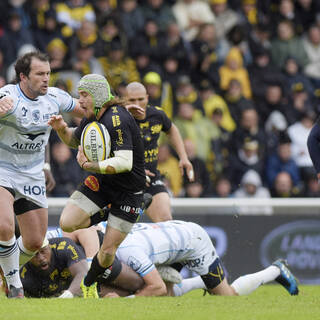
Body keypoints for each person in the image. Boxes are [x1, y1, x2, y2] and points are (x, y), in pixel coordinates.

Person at [48, 74, 146, 298]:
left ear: (99, 96)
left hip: (129, 192)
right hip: (103, 184)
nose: (80, 101)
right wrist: (61, 128)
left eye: (84, 95)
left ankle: (90, 282)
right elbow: (75, 141)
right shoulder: (92, 116)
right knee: (67, 223)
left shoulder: (116, 118)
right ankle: (106, 213)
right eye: (79, 95)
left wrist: (90, 165)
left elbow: (124, 162)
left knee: (108, 253)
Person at [0, 51, 84, 298]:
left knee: (36, 241)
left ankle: (7, 269)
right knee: (4, 226)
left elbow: (86, 110)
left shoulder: (55, 97)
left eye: (48, 73)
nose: (46, 79)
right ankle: (15, 286)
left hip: (32, 174)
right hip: (3, 169)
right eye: (40, 74)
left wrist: (114, 111)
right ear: (23, 77)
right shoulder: (7, 97)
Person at [100, 220, 299, 298]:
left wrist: (124, 302)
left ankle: (275, 270)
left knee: (227, 297)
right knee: (164, 296)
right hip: (171, 239)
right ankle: (198, 282)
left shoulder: (127, 249)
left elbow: (156, 287)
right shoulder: (108, 229)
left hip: (193, 243)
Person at [125, 81, 194, 222]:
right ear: (124, 100)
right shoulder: (117, 119)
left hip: (150, 180)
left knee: (166, 220)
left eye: (141, 99)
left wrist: (183, 157)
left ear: (147, 98)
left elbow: (172, 129)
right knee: (119, 230)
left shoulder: (157, 115)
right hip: (123, 181)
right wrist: (134, 170)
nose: (137, 104)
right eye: (132, 100)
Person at [20, 237, 88, 298]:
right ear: (28, 257)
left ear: (49, 246)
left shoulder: (65, 247)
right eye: (35, 255)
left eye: (43, 251)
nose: (41, 258)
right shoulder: (24, 275)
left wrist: (69, 293)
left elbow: (83, 272)